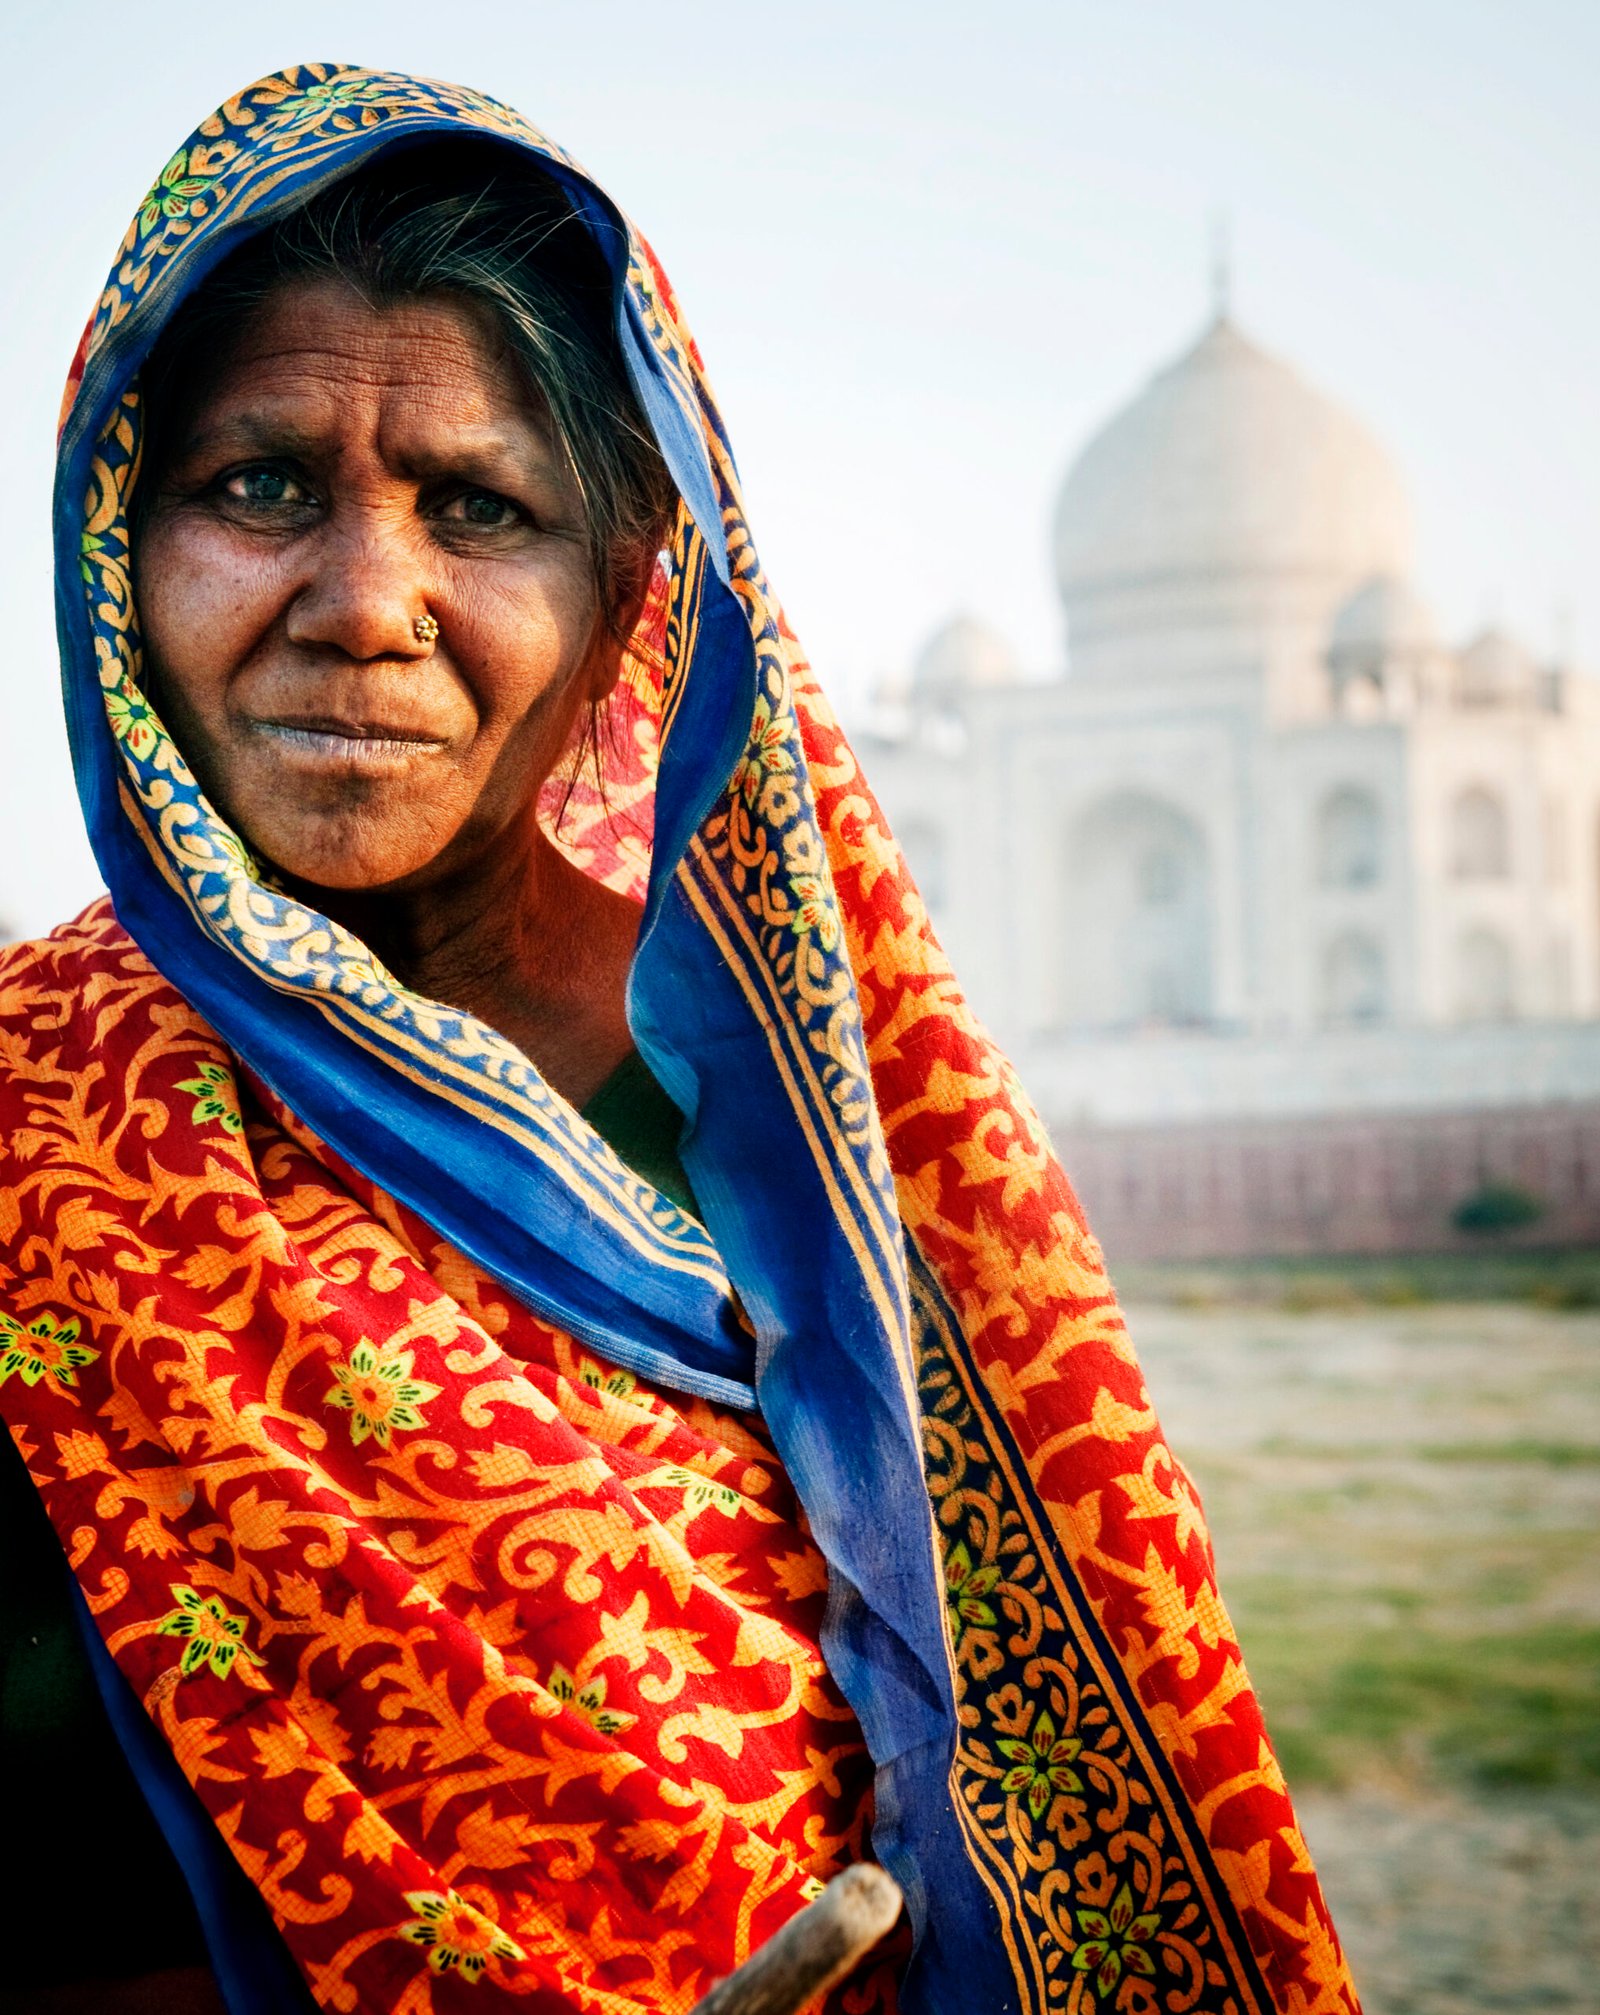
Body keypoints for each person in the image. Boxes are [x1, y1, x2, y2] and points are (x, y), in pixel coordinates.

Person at [0, 65, 1359, 2015]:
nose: (363, 604)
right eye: (262, 485)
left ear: (629, 585)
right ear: (118, 532)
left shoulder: (819, 1159)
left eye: (477, 506)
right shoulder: (33, 1129)